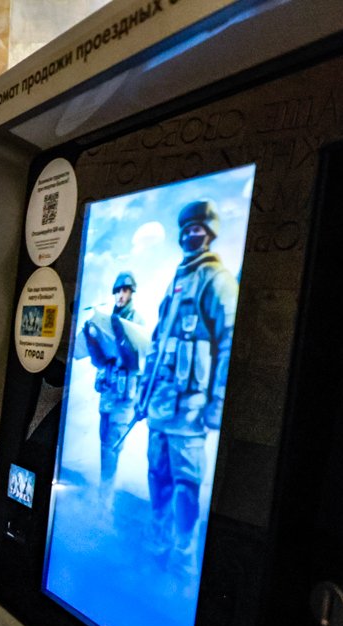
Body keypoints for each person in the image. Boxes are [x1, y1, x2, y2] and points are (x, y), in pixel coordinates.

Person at [140, 200, 237, 569]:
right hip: (160, 406)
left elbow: (228, 341)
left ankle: (183, 555)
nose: (190, 234)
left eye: (197, 229)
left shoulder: (217, 280)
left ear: (209, 233)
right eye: (186, 229)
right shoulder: (177, 280)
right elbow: (157, 344)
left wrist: (218, 403)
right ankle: (160, 540)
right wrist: (141, 398)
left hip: (191, 409)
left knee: (186, 485)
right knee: (157, 476)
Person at [79, 272, 143, 496]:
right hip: (107, 395)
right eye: (117, 291)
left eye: (124, 290)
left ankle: (104, 500)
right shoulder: (106, 320)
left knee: (112, 448)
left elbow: (133, 361)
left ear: (131, 292)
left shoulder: (136, 322)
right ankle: (103, 495)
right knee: (104, 444)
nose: (120, 295)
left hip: (124, 400)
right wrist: (91, 339)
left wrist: (120, 334)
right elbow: (100, 361)